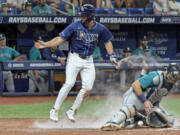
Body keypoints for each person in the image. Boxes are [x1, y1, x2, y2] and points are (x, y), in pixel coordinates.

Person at [35, 4, 118, 122]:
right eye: (82, 15)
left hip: (89, 60)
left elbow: (107, 41)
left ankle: (72, 110)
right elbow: (60, 39)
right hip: (75, 58)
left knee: (88, 87)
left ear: (91, 16)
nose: (82, 17)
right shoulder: (75, 26)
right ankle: (54, 110)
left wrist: (112, 56)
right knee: (69, 83)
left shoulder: (100, 28)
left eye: (84, 15)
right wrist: (46, 44)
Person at [101, 63, 180, 131]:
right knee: (130, 109)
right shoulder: (156, 76)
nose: (174, 78)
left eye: (176, 77)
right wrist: (145, 101)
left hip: (148, 102)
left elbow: (159, 96)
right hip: (135, 96)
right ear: (168, 72)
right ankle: (113, 122)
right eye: (173, 76)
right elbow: (135, 85)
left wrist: (155, 108)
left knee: (169, 120)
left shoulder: (170, 84)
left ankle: (133, 120)